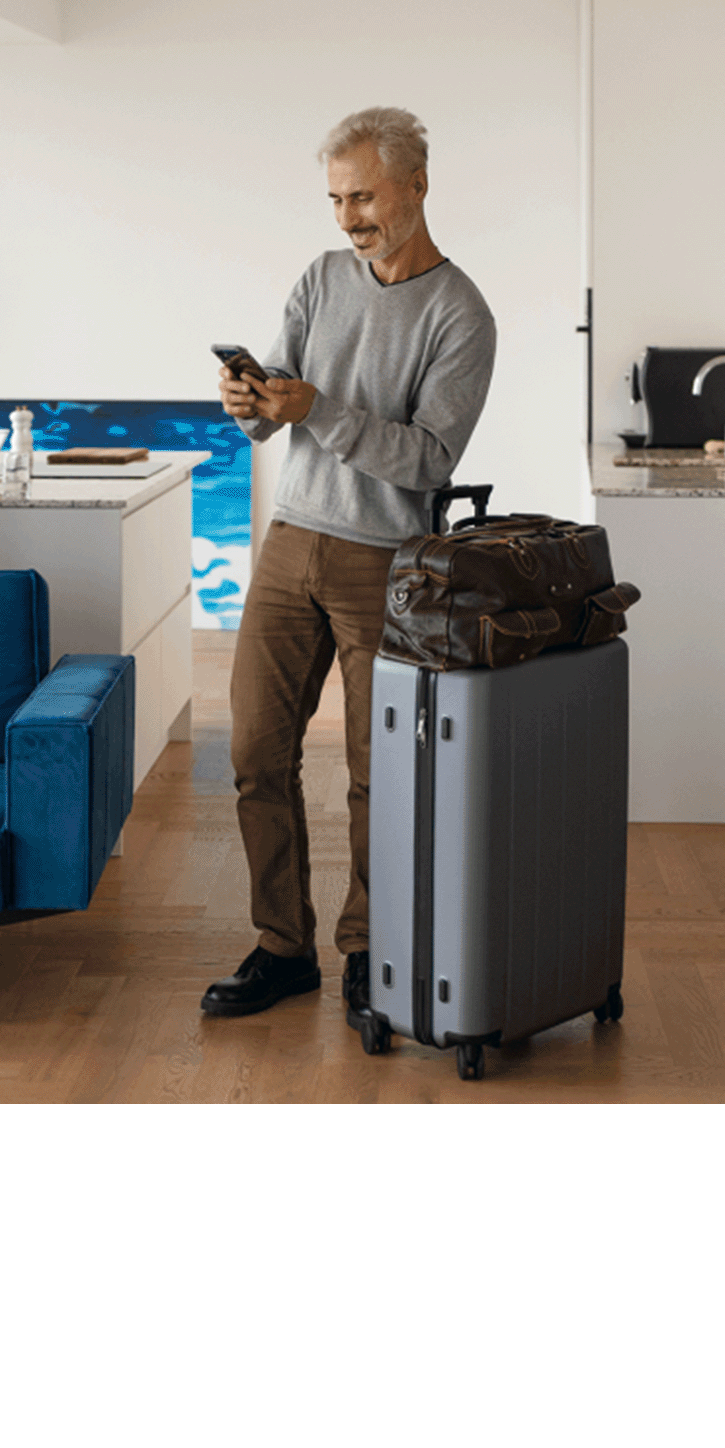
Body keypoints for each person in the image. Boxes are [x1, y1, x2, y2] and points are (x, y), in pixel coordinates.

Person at [200, 107, 497, 1025]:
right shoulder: (321, 278)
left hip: (387, 561)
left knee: (379, 772)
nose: (347, 218)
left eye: (362, 196)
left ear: (414, 186)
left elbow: (429, 460)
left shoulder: (461, 313)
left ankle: (370, 948)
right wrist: (247, 402)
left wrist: (316, 408)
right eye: (335, 199)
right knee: (255, 752)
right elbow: (275, 411)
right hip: (291, 542)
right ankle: (283, 947)